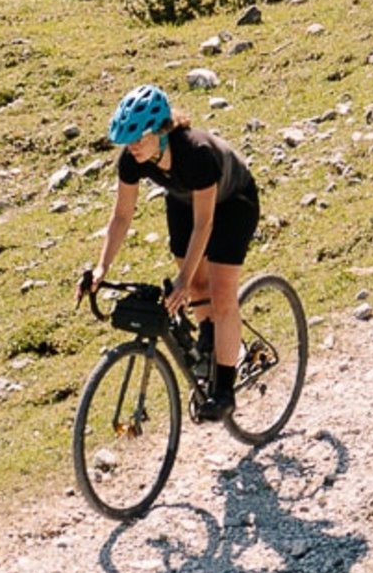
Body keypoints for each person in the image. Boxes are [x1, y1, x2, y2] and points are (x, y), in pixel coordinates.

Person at [84, 84, 261, 417]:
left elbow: (205, 224)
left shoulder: (194, 152)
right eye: (127, 140)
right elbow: (121, 216)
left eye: (139, 138)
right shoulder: (133, 160)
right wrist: (101, 268)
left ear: (162, 130)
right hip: (183, 201)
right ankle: (209, 341)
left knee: (221, 294)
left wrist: (181, 276)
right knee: (194, 287)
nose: (132, 146)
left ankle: (224, 390)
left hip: (233, 202)